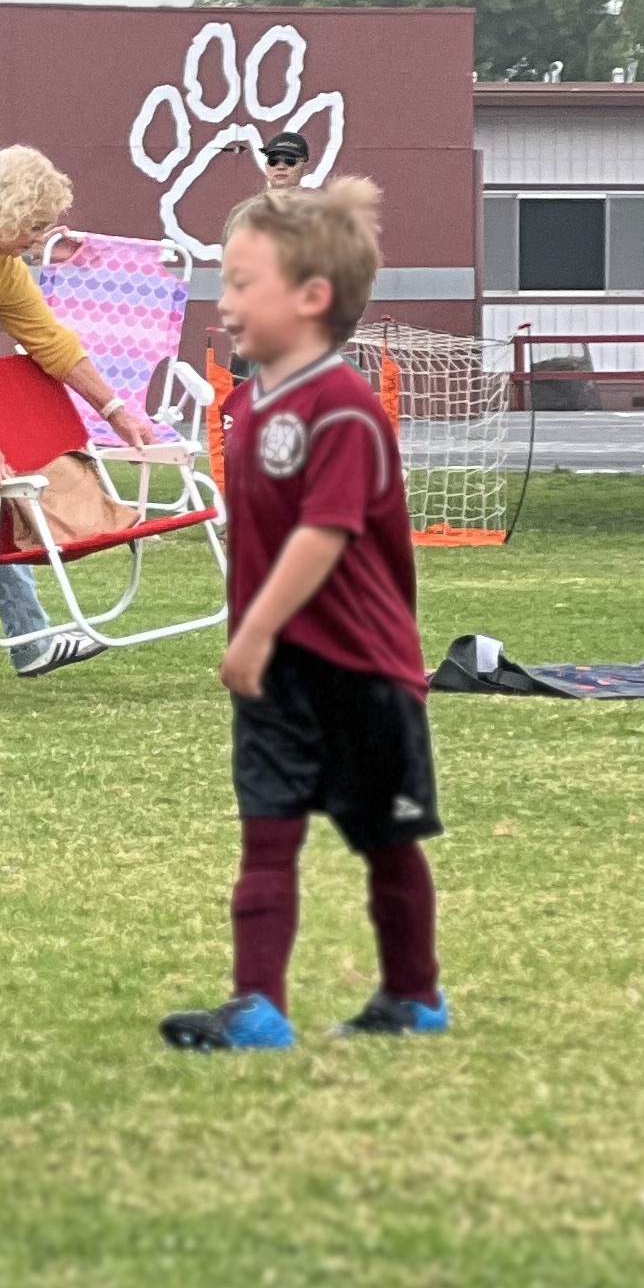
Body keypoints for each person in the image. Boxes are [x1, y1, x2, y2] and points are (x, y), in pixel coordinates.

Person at [161, 179, 450, 1053]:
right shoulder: (250, 404)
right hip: (280, 675)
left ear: (313, 298)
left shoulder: (344, 410)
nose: (225, 302)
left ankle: (414, 994)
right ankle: (258, 1005)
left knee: (386, 839)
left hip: (362, 673)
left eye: (244, 283)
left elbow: (324, 534)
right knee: (267, 832)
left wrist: (251, 631)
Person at [0, 147, 160, 695]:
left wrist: (114, 410)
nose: (42, 240)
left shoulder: (2, 264)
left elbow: (51, 341)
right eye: (36, 225)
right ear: (4, 213)